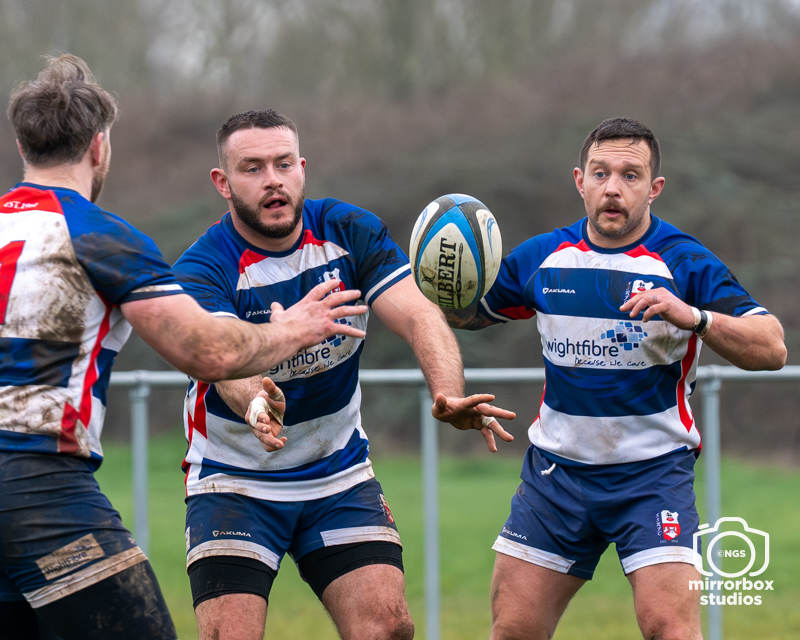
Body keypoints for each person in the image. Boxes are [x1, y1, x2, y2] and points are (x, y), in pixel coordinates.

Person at [0, 55, 370, 640]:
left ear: (22, 145)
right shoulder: (102, 238)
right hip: (37, 486)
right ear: (99, 146)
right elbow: (209, 353)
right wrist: (292, 330)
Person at [171, 109, 515, 640]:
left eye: (284, 164)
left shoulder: (348, 230)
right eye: (253, 168)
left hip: (336, 471)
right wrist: (259, 402)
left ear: (302, 168)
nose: (273, 180)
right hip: (234, 477)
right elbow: (222, 359)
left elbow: (419, 313)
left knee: (388, 628)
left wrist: (447, 393)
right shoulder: (203, 267)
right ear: (223, 182)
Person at [443, 118, 787, 640]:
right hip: (555, 478)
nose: (612, 188)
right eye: (601, 173)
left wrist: (695, 317)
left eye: (630, 175)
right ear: (579, 180)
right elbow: (465, 313)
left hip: (652, 477)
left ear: (654, 187)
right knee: (513, 631)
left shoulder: (684, 261)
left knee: (671, 630)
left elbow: (772, 346)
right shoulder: (542, 257)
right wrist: (440, 284)